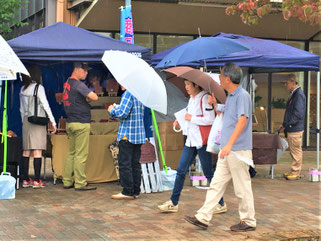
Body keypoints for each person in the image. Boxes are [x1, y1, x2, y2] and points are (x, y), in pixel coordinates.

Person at [184, 63, 256, 232]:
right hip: (228, 149)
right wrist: (215, 105)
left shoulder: (242, 96)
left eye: (222, 76)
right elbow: (226, 116)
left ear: (228, 78)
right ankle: (203, 217)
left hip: (237, 150)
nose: (220, 79)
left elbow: (242, 120)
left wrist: (230, 144)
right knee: (216, 184)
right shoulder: (231, 96)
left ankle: (248, 220)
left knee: (242, 186)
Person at [157, 80, 226, 213]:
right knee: (181, 171)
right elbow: (188, 117)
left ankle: (221, 203)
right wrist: (181, 120)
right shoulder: (192, 99)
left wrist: (191, 118)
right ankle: (173, 202)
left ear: (196, 85)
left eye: (188, 84)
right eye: (185, 84)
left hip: (201, 141)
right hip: (191, 141)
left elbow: (210, 119)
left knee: (208, 173)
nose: (186, 87)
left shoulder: (205, 97)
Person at [62, 62, 98, 191]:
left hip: (70, 122)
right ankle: (80, 183)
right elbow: (95, 97)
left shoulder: (67, 83)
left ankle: (67, 181)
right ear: (76, 69)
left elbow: (75, 98)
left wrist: (85, 99)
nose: (86, 73)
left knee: (71, 153)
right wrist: (93, 87)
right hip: (81, 123)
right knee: (81, 155)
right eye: (84, 70)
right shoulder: (79, 84)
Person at [20, 65, 57, 189]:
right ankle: (37, 180)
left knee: (26, 150)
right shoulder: (39, 88)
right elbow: (46, 105)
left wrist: (23, 122)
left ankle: (25, 179)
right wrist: (53, 121)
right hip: (38, 121)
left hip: (26, 120)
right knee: (37, 151)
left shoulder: (22, 89)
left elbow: (21, 109)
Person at [108, 85, 146, 200]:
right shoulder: (139, 92)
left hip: (127, 134)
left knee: (125, 164)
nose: (120, 84)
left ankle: (127, 191)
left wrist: (112, 111)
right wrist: (117, 107)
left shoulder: (128, 93)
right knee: (135, 164)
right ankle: (135, 190)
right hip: (138, 134)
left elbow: (123, 113)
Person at [280, 74, 306, 181]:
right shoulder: (294, 94)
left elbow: (298, 113)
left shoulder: (298, 95)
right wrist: (284, 124)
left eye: (287, 83)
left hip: (295, 128)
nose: (286, 85)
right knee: (293, 150)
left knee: (296, 150)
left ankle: (296, 171)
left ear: (293, 82)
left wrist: (289, 124)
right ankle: (293, 170)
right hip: (292, 127)